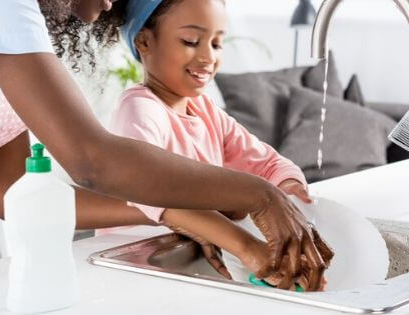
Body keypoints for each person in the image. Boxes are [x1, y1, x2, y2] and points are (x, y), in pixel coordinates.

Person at [0, 0, 328, 293]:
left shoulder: (12, 43)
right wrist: (256, 197)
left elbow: (12, 195)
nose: (115, 8)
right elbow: (90, 158)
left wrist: (174, 212)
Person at [87, 0, 332, 290]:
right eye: (191, 41)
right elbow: (149, 191)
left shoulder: (205, 112)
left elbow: (270, 165)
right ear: (144, 41)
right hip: (132, 270)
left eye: (217, 44)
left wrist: (291, 199)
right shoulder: (139, 109)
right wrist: (248, 248)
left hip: (184, 267)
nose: (207, 56)